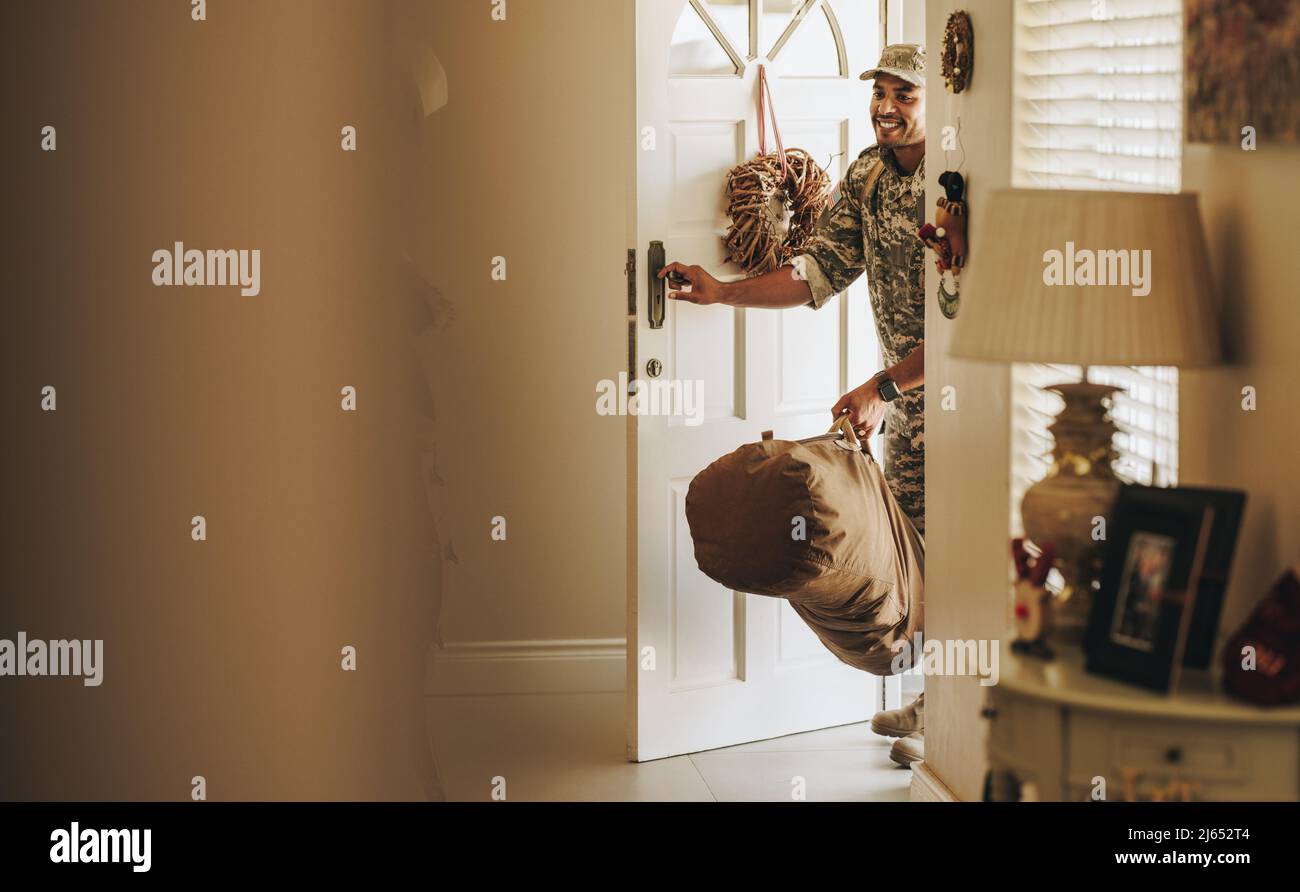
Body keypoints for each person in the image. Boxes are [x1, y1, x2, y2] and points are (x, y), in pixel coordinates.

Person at [659, 44, 928, 768]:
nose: (885, 106)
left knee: (968, 555)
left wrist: (883, 386)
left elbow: (972, 325)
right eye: (879, 92)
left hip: (959, 399)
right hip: (905, 415)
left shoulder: (957, 187)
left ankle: (956, 726)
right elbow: (819, 272)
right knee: (915, 560)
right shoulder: (870, 175)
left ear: (936, 101)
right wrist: (721, 291)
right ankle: (936, 705)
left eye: (904, 94)